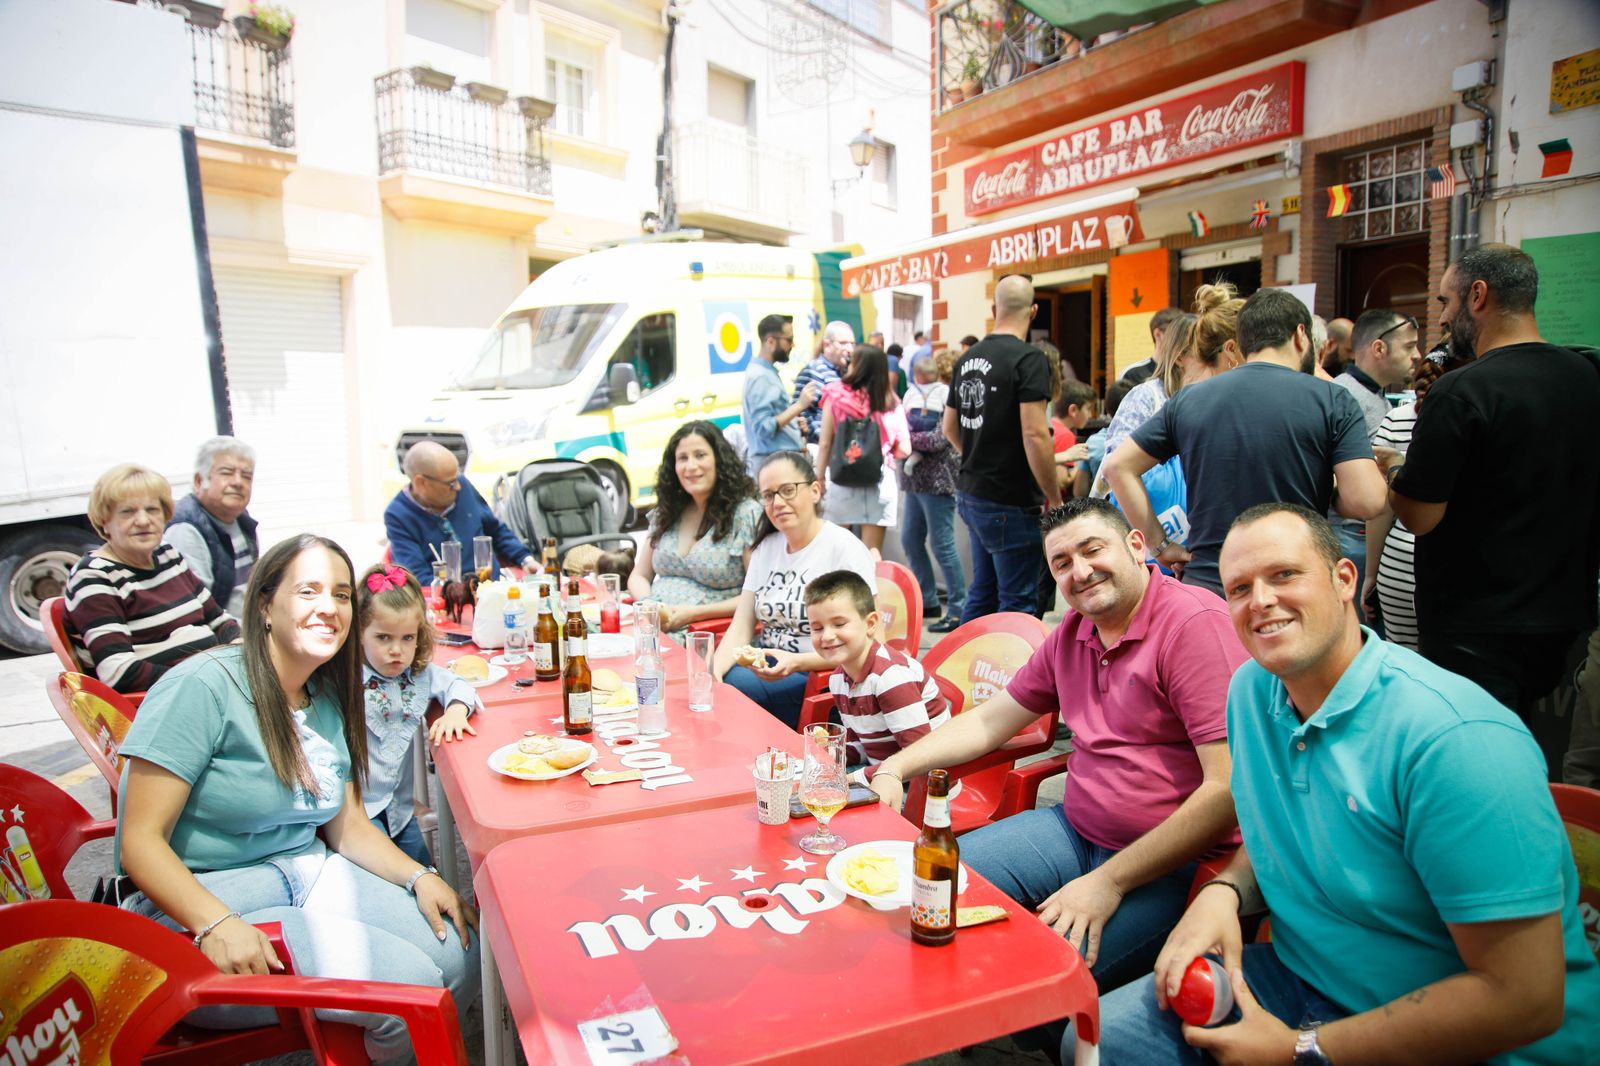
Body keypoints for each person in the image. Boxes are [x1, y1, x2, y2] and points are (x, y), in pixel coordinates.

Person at [1088, 503, 1600, 1065]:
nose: (1260, 601)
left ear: (1344, 580)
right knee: (1096, 1040)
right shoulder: (1252, 693)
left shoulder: (1457, 741)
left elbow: (1523, 1000)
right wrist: (1224, 892)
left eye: (1284, 575)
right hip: (1307, 980)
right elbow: (1293, 832)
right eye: (1238, 588)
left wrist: (1298, 1051)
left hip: (1471, 1039)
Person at [114, 535, 480, 1061]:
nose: (328, 608)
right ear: (265, 603)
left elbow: (348, 826)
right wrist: (216, 922)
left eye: (339, 594)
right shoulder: (201, 686)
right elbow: (139, 843)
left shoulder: (328, 693)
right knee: (410, 991)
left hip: (309, 875)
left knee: (463, 952)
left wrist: (421, 877)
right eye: (308, 591)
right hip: (202, 906)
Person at [870, 499, 1244, 995]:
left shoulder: (1193, 625)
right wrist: (894, 767)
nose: (1081, 572)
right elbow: (990, 720)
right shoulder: (1074, 629)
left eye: (1093, 550)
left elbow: (1227, 789)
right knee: (926, 890)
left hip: (1172, 863)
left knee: (1035, 980)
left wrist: (1108, 882)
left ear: (1136, 546)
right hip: (1075, 830)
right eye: (1062, 563)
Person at [1389, 244, 1600, 733]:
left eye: (1445, 302)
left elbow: (1420, 515)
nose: (1441, 318)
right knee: (1540, 751)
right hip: (1565, 618)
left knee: (1477, 757)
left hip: (1477, 627)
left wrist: (1395, 474)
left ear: (1477, 296)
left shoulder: (1461, 391)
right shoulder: (1587, 377)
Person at [1104, 287, 1387, 596]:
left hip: (1210, 584)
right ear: (1300, 335)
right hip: (1292, 582)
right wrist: (1324, 486)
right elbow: (1367, 500)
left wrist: (1160, 546)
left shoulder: (1189, 400)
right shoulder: (1332, 399)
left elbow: (1118, 467)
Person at [712, 451, 876, 727]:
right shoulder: (766, 549)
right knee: (712, 687)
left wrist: (798, 662)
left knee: (734, 692)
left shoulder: (843, 549)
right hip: (767, 668)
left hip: (820, 678)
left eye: (788, 491)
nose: (778, 503)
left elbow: (870, 642)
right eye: (768, 495)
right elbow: (740, 627)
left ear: (814, 490)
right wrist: (712, 673)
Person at [65, 463, 239, 693]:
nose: (143, 521)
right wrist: (207, 678)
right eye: (128, 512)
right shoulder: (94, 576)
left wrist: (240, 648)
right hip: (173, 700)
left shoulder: (168, 555)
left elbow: (218, 620)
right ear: (105, 521)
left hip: (213, 682)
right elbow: (119, 673)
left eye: (152, 510)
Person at [946, 275, 1060, 621]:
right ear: (1034, 311)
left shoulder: (967, 359)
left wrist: (980, 453)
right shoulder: (1029, 360)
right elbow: (1036, 435)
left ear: (994, 309)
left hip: (972, 492)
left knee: (983, 592)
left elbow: (949, 428)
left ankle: (961, 672)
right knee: (1018, 605)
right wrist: (1053, 495)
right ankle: (1013, 676)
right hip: (1010, 500)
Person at [356, 562, 476, 866]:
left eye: (407, 638)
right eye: (383, 638)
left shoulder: (417, 674)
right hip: (359, 813)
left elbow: (459, 685)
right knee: (385, 883)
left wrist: (455, 712)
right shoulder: (347, 680)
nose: (397, 650)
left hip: (399, 808)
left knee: (428, 874)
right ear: (359, 633)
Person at [804, 569, 950, 780]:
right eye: (816, 628)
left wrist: (850, 779)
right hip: (881, 772)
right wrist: (827, 754)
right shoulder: (838, 679)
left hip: (921, 788)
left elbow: (919, 760)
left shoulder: (890, 677)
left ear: (871, 624)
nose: (826, 636)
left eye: (839, 624)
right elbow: (865, 746)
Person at [629, 421, 763, 635]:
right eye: (683, 458)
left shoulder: (746, 514)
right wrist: (649, 604)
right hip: (653, 630)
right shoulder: (667, 511)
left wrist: (695, 614)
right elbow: (639, 575)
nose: (690, 466)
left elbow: (758, 595)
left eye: (700, 455)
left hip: (710, 637)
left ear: (719, 460)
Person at [1326, 308, 1421, 606]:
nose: (1417, 355)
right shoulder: (1341, 396)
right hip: (1351, 538)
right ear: (1379, 347)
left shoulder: (1373, 396)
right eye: (1408, 346)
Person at [384, 441, 534, 580]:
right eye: (450, 483)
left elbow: (496, 530)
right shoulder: (399, 515)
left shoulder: (462, 485)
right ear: (421, 482)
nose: (458, 487)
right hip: (449, 600)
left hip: (491, 585)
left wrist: (525, 559)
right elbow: (417, 578)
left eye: (457, 477)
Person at [816, 344, 911, 555]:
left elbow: (825, 443)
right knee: (873, 554)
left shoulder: (836, 396)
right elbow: (905, 448)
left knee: (836, 552)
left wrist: (820, 478)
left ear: (856, 366)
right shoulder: (891, 402)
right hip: (878, 479)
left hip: (844, 478)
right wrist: (884, 449)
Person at [899, 348, 966, 632]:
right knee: (910, 539)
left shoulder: (946, 394)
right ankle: (928, 600)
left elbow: (939, 439)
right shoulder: (910, 393)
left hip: (938, 481)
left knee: (943, 546)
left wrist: (906, 439)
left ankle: (959, 608)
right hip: (914, 481)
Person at [166, 436, 258, 617]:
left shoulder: (242, 520)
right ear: (199, 481)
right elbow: (196, 612)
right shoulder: (185, 531)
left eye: (246, 476)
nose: (238, 482)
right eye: (227, 472)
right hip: (225, 638)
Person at [740, 313, 813, 473]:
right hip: (775, 464)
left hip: (777, 460)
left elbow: (771, 420)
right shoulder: (760, 376)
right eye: (788, 339)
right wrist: (799, 406)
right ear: (770, 341)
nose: (793, 345)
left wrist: (793, 422)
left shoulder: (764, 372)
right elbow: (764, 428)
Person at [793, 320, 854, 446]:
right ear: (827, 345)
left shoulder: (849, 372)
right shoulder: (812, 371)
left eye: (852, 343)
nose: (850, 349)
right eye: (843, 343)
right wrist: (824, 439)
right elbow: (800, 413)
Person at [1120, 306, 1185, 386]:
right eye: (1177, 334)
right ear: (1158, 334)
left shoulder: (1188, 371)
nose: (1182, 339)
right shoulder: (1133, 374)